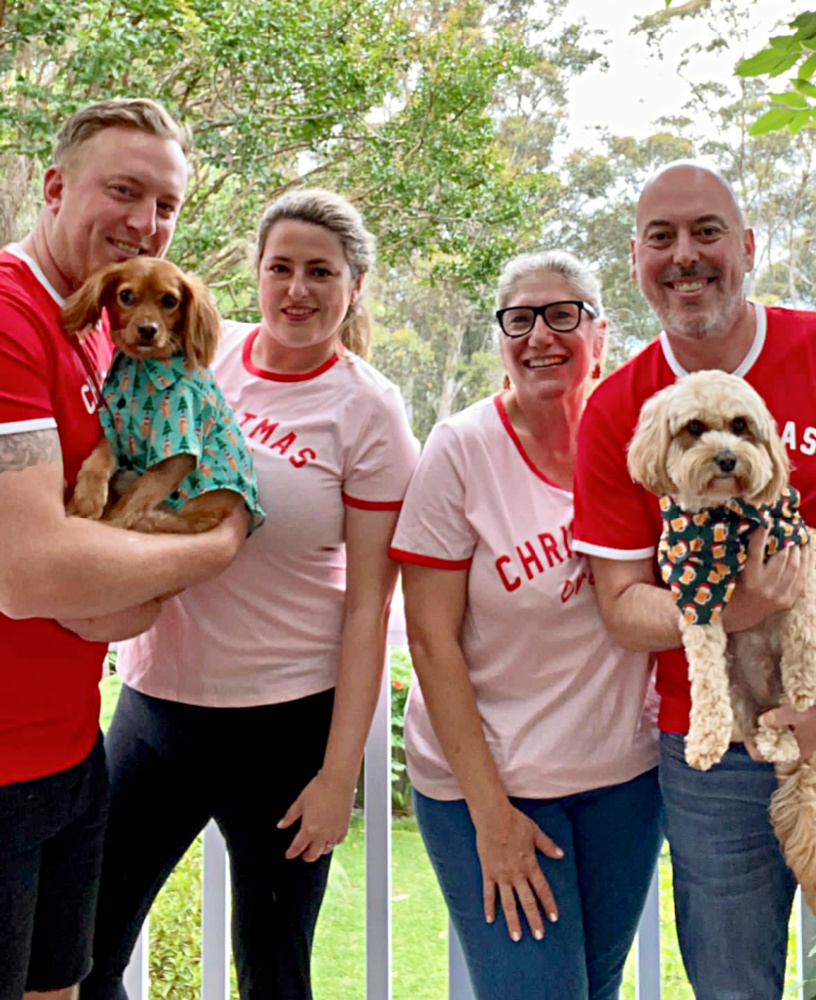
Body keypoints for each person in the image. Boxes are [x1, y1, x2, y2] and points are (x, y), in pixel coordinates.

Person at [572, 160, 816, 1000]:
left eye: (706, 232)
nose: (684, 255)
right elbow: (622, 609)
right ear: (635, 262)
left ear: (747, 247)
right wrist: (737, 608)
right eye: (660, 238)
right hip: (712, 754)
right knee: (732, 987)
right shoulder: (620, 408)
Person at [81, 188, 420, 1000]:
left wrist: (340, 776)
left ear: (354, 284)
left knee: (271, 972)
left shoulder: (368, 411)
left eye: (320, 272)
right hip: (156, 708)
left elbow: (368, 604)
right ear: (256, 275)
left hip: (284, 727)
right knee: (82, 954)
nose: (297, 290)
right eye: (280, 269)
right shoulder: (200, 352)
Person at [0, 98, 250, 1000]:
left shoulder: (104, 331)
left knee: (65, 985)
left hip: (71, 748)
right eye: (123, 189)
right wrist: (216, 546)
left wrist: (109, 581)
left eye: (166, 204)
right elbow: (31, 577)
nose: (146, 222)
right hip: (1, 766)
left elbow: (84, 569)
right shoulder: (6, 317)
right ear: (56, 185)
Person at [389, 250, 662, 1000]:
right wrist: (492, 816)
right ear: (501, 339)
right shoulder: (463, 449)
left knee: (594, 989)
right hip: (493, 784)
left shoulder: (644, 442)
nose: (540, 334)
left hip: (624, 780)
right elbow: (428, 641)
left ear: (599, 334)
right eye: (520, 318)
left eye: (562, 313)